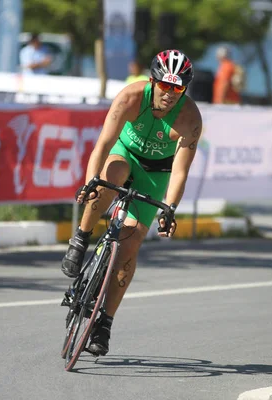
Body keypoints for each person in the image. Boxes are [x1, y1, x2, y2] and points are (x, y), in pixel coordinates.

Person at [61, 49, 202, 356]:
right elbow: (103, 144)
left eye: (177, 88)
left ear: (185, 89)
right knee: (110, 178)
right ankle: (81, 238)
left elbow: (180, 170)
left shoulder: (190, 119)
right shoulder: (130, 97)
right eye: (164, 85)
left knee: (132, 241)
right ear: (153, 81)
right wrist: (90, 182)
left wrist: (170, 208)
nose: (169, 93)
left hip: (157, 172)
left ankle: (104, 324)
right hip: (124, 153)